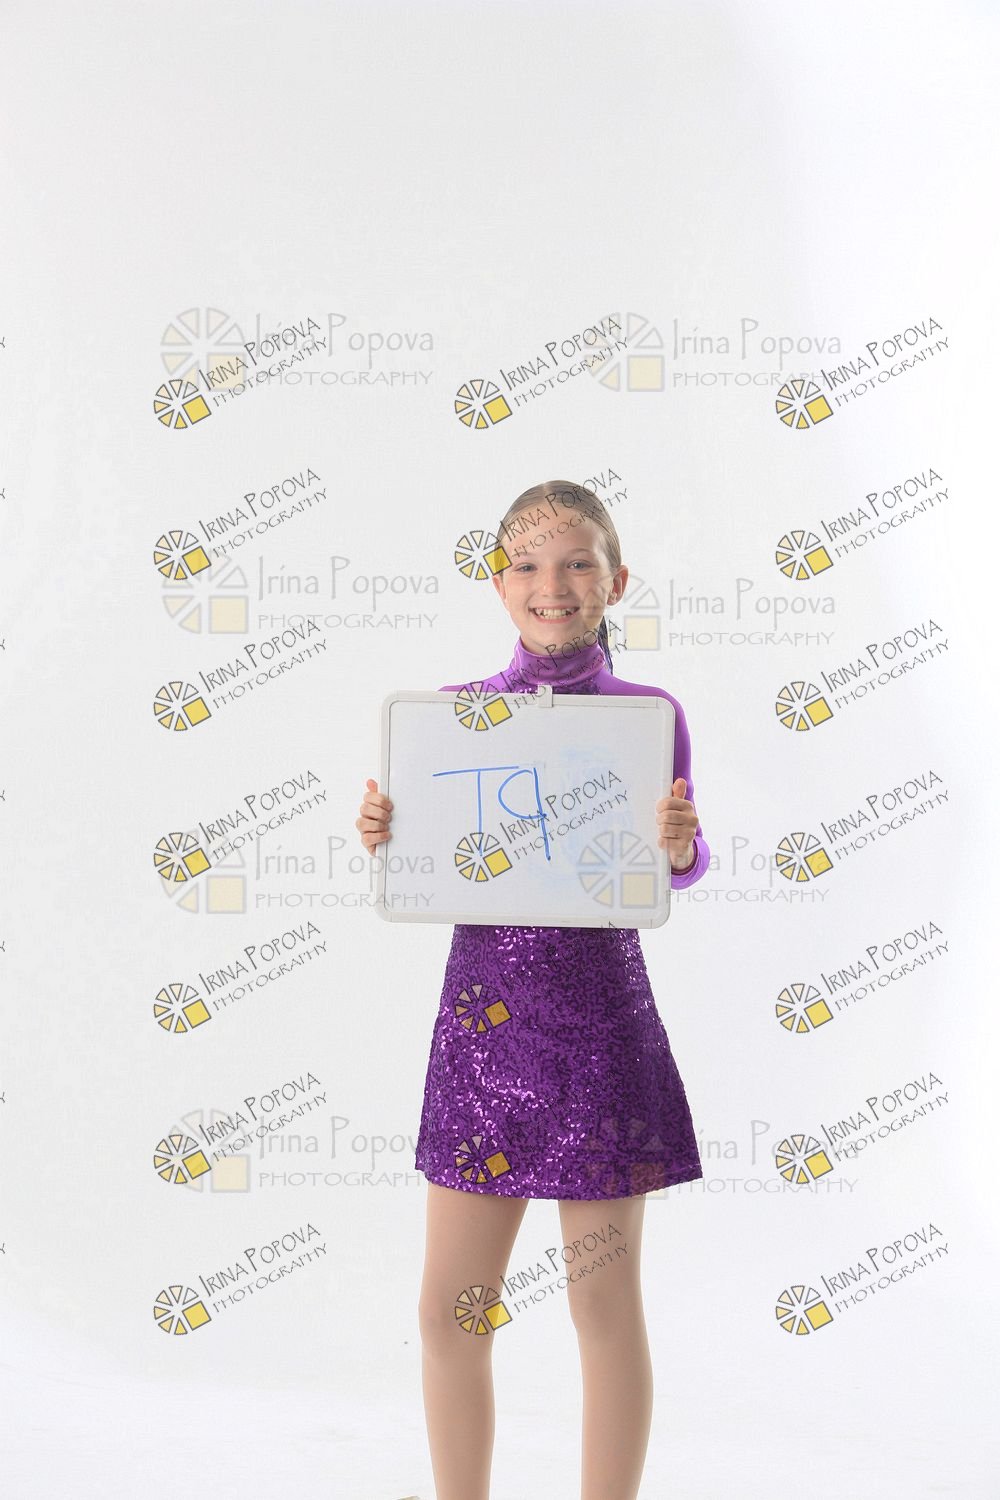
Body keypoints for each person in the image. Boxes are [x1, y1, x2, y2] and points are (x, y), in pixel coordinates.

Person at [356, 481, 710, 1500]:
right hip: (485, 1034)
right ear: (498, 582)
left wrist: (680, 846)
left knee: (602, 1306)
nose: (551, 584)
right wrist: (386, 834)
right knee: (450, 1312)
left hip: (601, 1027)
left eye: (576, 562)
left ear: (615, 580)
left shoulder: (647, 716)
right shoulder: (452, 717)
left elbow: (676, 868)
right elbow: (427, 864)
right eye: (526, 564)